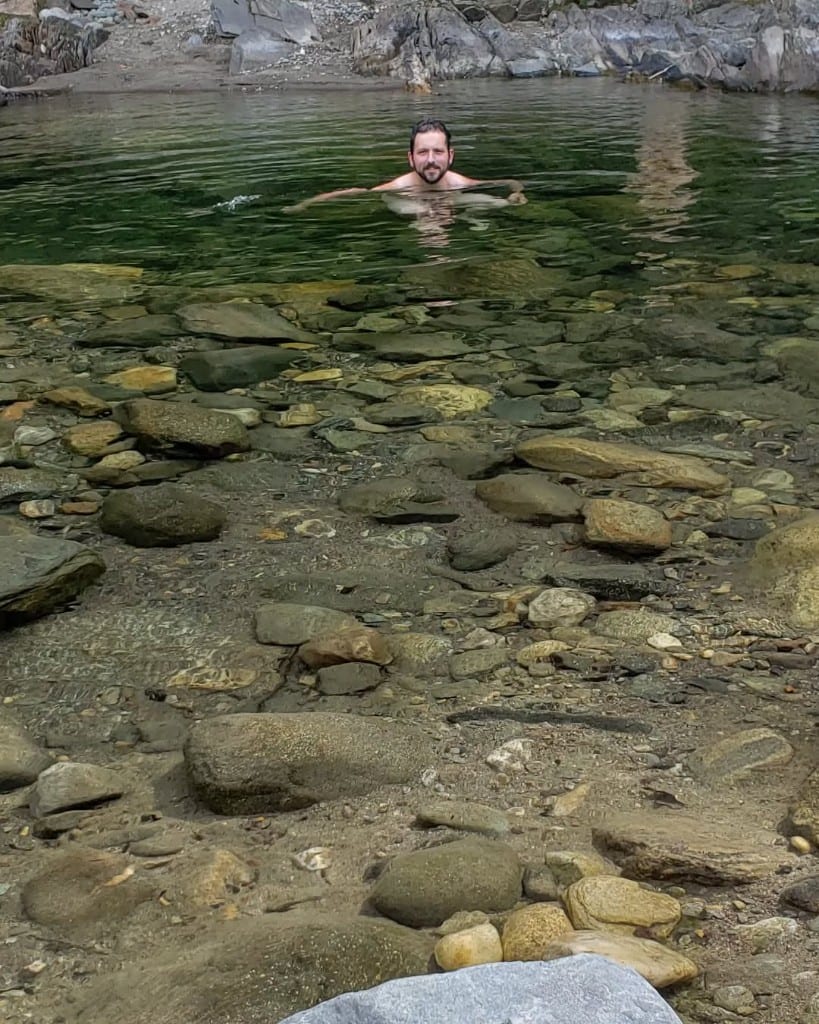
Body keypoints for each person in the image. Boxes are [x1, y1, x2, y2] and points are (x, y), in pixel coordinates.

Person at [283, 118, 526, 213]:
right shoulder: (400, 186)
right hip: (411, 202)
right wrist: (305, 204)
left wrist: (516, 193)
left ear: (450, 156)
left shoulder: (459, 182)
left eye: (438, 151)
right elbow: (359, 192)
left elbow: (506, 182)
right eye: (423, 152)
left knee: (496, 203)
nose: (431, 159)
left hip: (452, 200)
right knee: (420, 211)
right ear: (410, 158)